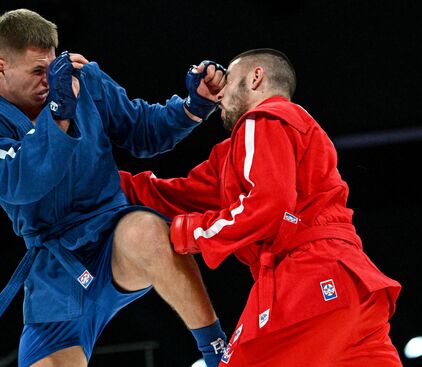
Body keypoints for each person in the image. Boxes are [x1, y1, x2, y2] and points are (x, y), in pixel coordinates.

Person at [0, 8, 229, 367]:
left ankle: (218, 354)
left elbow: (141, 130)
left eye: (51, 68)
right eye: (37, 72)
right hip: (55, 270)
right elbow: (21, 180)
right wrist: (59, 113)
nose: (49, 81)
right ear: (0, 68)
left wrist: (193, 106)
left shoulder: (82, 81)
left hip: (111, 235)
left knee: (148, 229)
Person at [120, 48, 403, 367]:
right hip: (354, 287)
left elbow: (268, 208)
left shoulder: (264, 118)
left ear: (256, 77)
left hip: (309, 277)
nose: (221, 90)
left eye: (228, 79)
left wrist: (186, 233)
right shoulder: (236, 154)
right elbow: (174, 197)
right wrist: (98, 181)